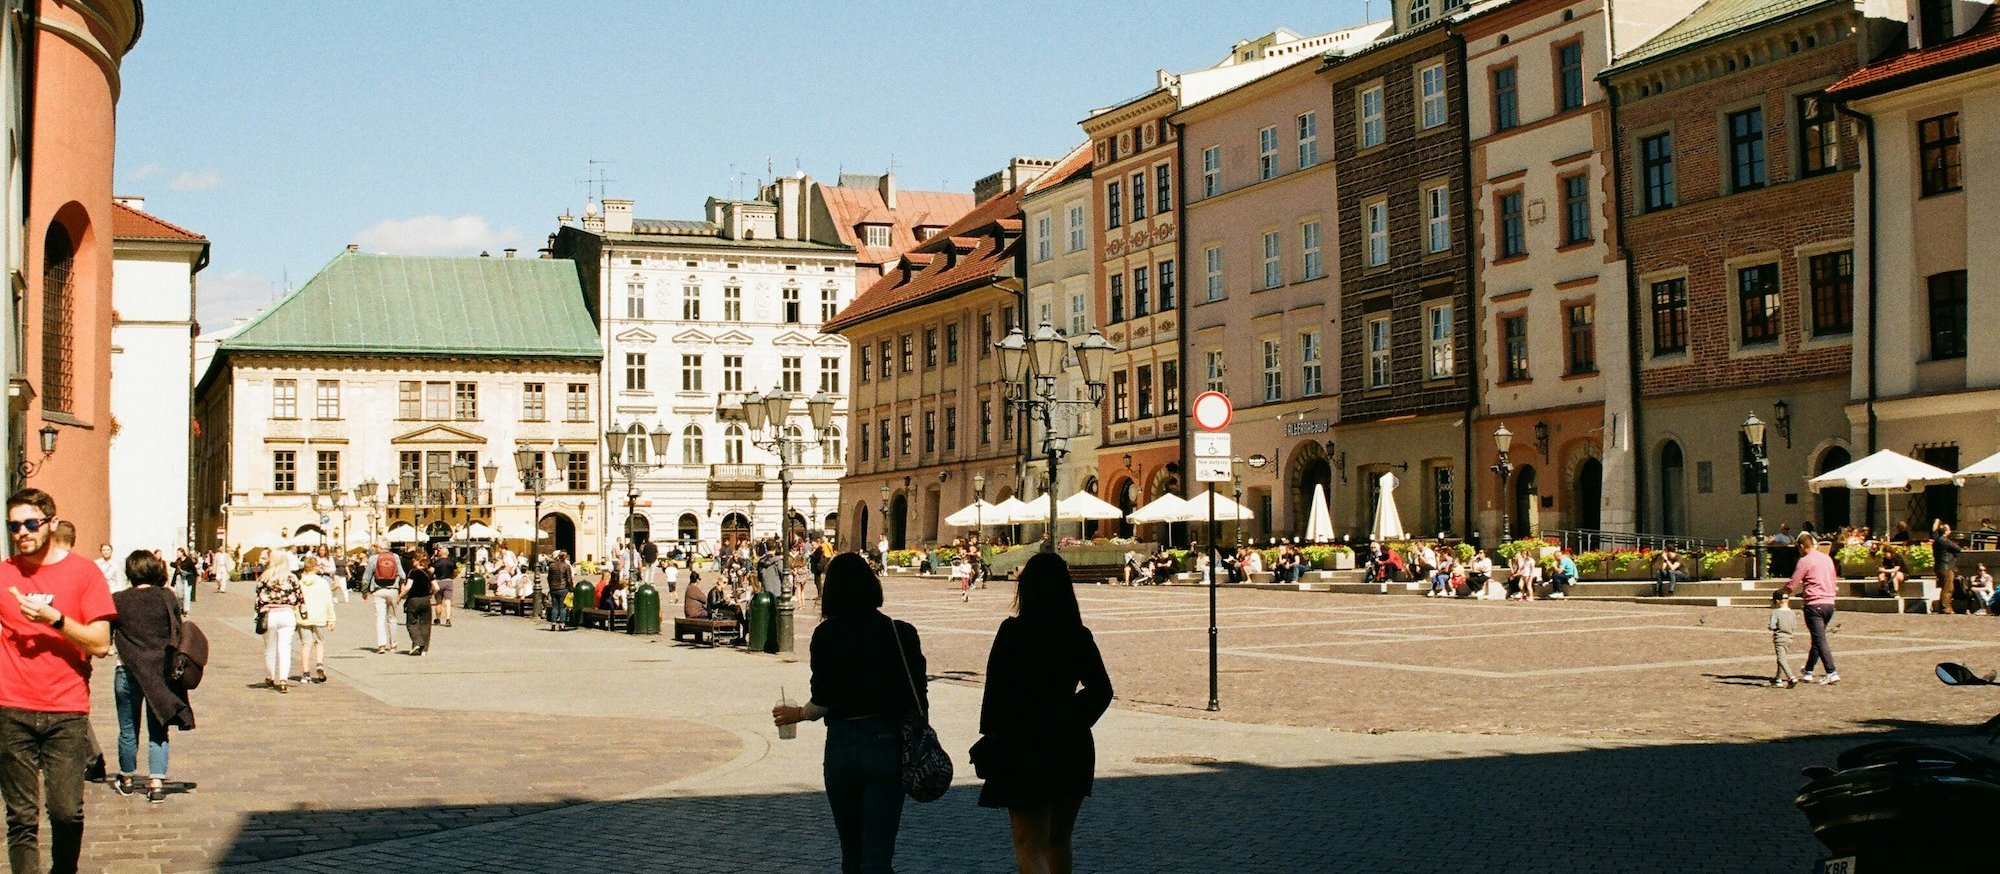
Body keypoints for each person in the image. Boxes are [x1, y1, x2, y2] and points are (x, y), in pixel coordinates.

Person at [772, 553, 927, 874]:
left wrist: (797, 713)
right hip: (886, 744)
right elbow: (919, 700)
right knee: (878, 857)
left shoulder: (827, 635)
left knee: (852, 853)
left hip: (842, 747)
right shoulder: (900, 634)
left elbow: (824, 701)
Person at [974, 552, 1114, 874]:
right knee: (1059, 840)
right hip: (1070, 747)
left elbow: (994, 693)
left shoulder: (1012, 633)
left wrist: (994, 736)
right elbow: (1102, 691)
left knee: (1029, 843)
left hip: (1023, 745)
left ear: (1026, 589)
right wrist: (1069, 717)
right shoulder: (1077, 635)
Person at [0, 489, 115, 873]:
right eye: (14, 525)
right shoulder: (4, 574)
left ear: (51, 523)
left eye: (31, 524)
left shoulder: (84, 573)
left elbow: (100, 644)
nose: (22, 532)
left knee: (66, 812)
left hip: (66, 711)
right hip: (10, 710)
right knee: (21, 819)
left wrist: (55, 620)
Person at [108, 551, 193, 803]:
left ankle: (126, 778)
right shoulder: (166, 596)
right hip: (158, 672)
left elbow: (108, 636)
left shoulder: (118, 600)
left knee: (127, 728)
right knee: (158, 727)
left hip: (127, 670)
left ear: (130, 572)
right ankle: (156, 782)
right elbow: (177, 630)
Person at [1784, 533, 1839, 685]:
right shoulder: (1826, 558)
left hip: (1814, 604)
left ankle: (1831, 671)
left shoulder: (1805, 561)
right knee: (1818, 638)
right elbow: (1833, 578)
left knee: (1820, 639)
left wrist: (1783, 592)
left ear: (1801, 546)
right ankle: (1808, 670)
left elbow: (1793, 582)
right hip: (1829, 603)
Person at [255, 563, 301, 692]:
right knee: (285, 648)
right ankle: (283, 679)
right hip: (287, 614)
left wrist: (258, 615)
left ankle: (271, 676)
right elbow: (299, 597)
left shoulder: (265, 577)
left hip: (270, 615)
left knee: (270, 648)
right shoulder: (292, 578)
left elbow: (258, 600)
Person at [295, 555, 337, 684]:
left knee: (306, 645)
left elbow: (295, 600)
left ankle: (305, 674)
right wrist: (331, 619)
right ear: (316, 567)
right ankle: (319, 664)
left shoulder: (299, 582)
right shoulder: (322, 582)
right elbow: (329, 602)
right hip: (319, 616)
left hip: (303, 616)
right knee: (319, 642)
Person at [367, 543, 403, 654]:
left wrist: (364, 590)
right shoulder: (395, 557)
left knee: (380, 618)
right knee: (392, 618)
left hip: (378, 590)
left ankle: (381, 645)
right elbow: (402, 575)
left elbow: (366, 576)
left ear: (379, 548)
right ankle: (393, 645)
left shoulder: (374, 558)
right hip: (393, 590)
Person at [399, 553, 435, 656]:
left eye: (414, 560)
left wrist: (400, 596)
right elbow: (436, 587)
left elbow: (408, 587)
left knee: (411, 623)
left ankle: (417, 642)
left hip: (414, 600)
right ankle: (424, 650)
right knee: (426, 624)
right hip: (426, 600)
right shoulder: (429, 572)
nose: (412, 562)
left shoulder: (413, 572)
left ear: (418, 560)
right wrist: (431, 593)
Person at [1769, 589, 1801, 688]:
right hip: (1789, 638)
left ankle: (1791, 677)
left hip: (1779, 638)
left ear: (1777, 601)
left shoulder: (1775, 612)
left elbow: (1772, 626)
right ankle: (1778, 678)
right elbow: (1794, 626)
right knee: (1782, 658)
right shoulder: (1792, 613)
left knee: (1781, 659)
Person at [1933, 521, 1964, 615]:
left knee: (1945, 587)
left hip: (1940, 566)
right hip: (1946, 567)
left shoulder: (1937, 540)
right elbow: (1957, 548)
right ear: (1946, 531)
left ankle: (1946, 606)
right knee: (1948, 588)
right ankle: (1945, 607)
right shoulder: (1944, 540)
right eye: (1949, 529)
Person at [430, 547, 457, 628]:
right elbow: (456, 572)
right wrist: (453, 577)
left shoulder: (436, 563)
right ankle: (448, 619)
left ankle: (438, 619)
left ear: (440, 553)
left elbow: (431, 571)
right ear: (447, 553)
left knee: (438, 602)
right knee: (448, 601)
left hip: (438, 582)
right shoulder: (451, 562)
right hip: (448, 581)